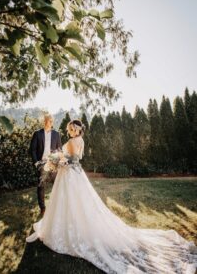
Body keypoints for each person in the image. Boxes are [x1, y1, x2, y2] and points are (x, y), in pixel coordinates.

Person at [26, 119, 197, 273]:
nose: (69, 131)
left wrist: (58, 160)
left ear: (77, 130)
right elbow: (77, 158)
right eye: (69, 129)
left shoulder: (72, 141)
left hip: (70, 175)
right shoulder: (81, 141)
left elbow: (69, 159)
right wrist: (59, 160)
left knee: (71, 202)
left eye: (71, 129)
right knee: (81, 203)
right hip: (76, 174)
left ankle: (67, 230)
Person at [29, 113, 62, 216]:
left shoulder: (56, 134)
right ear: (44, 122)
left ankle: (57, 206)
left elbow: (59, 149)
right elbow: (32, 150)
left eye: (52, 121)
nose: (51, 123)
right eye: (49, 121)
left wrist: (57, 161)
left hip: (53, 163)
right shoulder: (37, 134)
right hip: (42, 163)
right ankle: (43, 208)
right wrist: (36, 163)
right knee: (41, 186)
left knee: (58, 185)